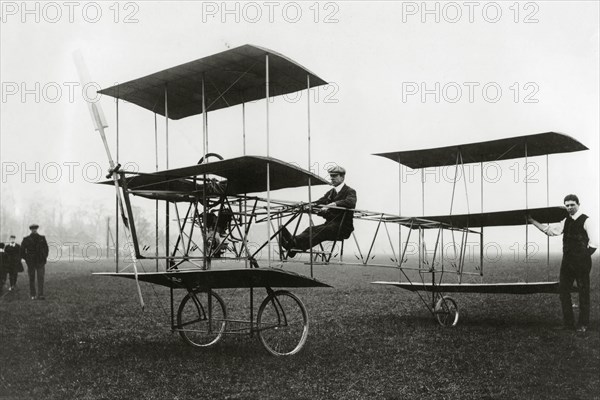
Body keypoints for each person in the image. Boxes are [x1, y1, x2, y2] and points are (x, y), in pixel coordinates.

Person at [528, 194, 597, 333]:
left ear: (578, 204)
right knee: (563, 291)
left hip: (582, 263)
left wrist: (583, 256)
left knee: (583, 292)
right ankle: (568, 324)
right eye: (567, 205)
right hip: (567, 262)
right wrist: (532, 221)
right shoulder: (565, 221)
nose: (570, 207)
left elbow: (594, 242)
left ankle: (583, 324)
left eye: (572, 204)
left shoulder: (586, 220)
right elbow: (550, 231)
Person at [280, 165, 357, 258]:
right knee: (311, 229)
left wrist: (333, 204)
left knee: (322, 231)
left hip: (343, 228)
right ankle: (293, 243)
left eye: (335, 176)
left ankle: (294, 246)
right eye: (331, 176)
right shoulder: (331, 193)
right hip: (331, 224)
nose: (332, 178)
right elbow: (320, 201)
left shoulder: (350, 191)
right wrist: (306, 205)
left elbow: (350, 202)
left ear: (342, 177)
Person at [21, 224, 49, 300]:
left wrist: (44, 258)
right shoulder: (26, 239)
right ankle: (32, 294)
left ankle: (40, 294)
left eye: (35, 229)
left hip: (40, 262)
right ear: (31, 230)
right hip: (31, 263)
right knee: (32, 278)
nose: (34, 230)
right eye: (33, 229)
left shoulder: (42, 238)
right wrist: (27, 259)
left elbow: (46, 249)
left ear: (37, 229)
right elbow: (22, 251)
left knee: (41, 278)